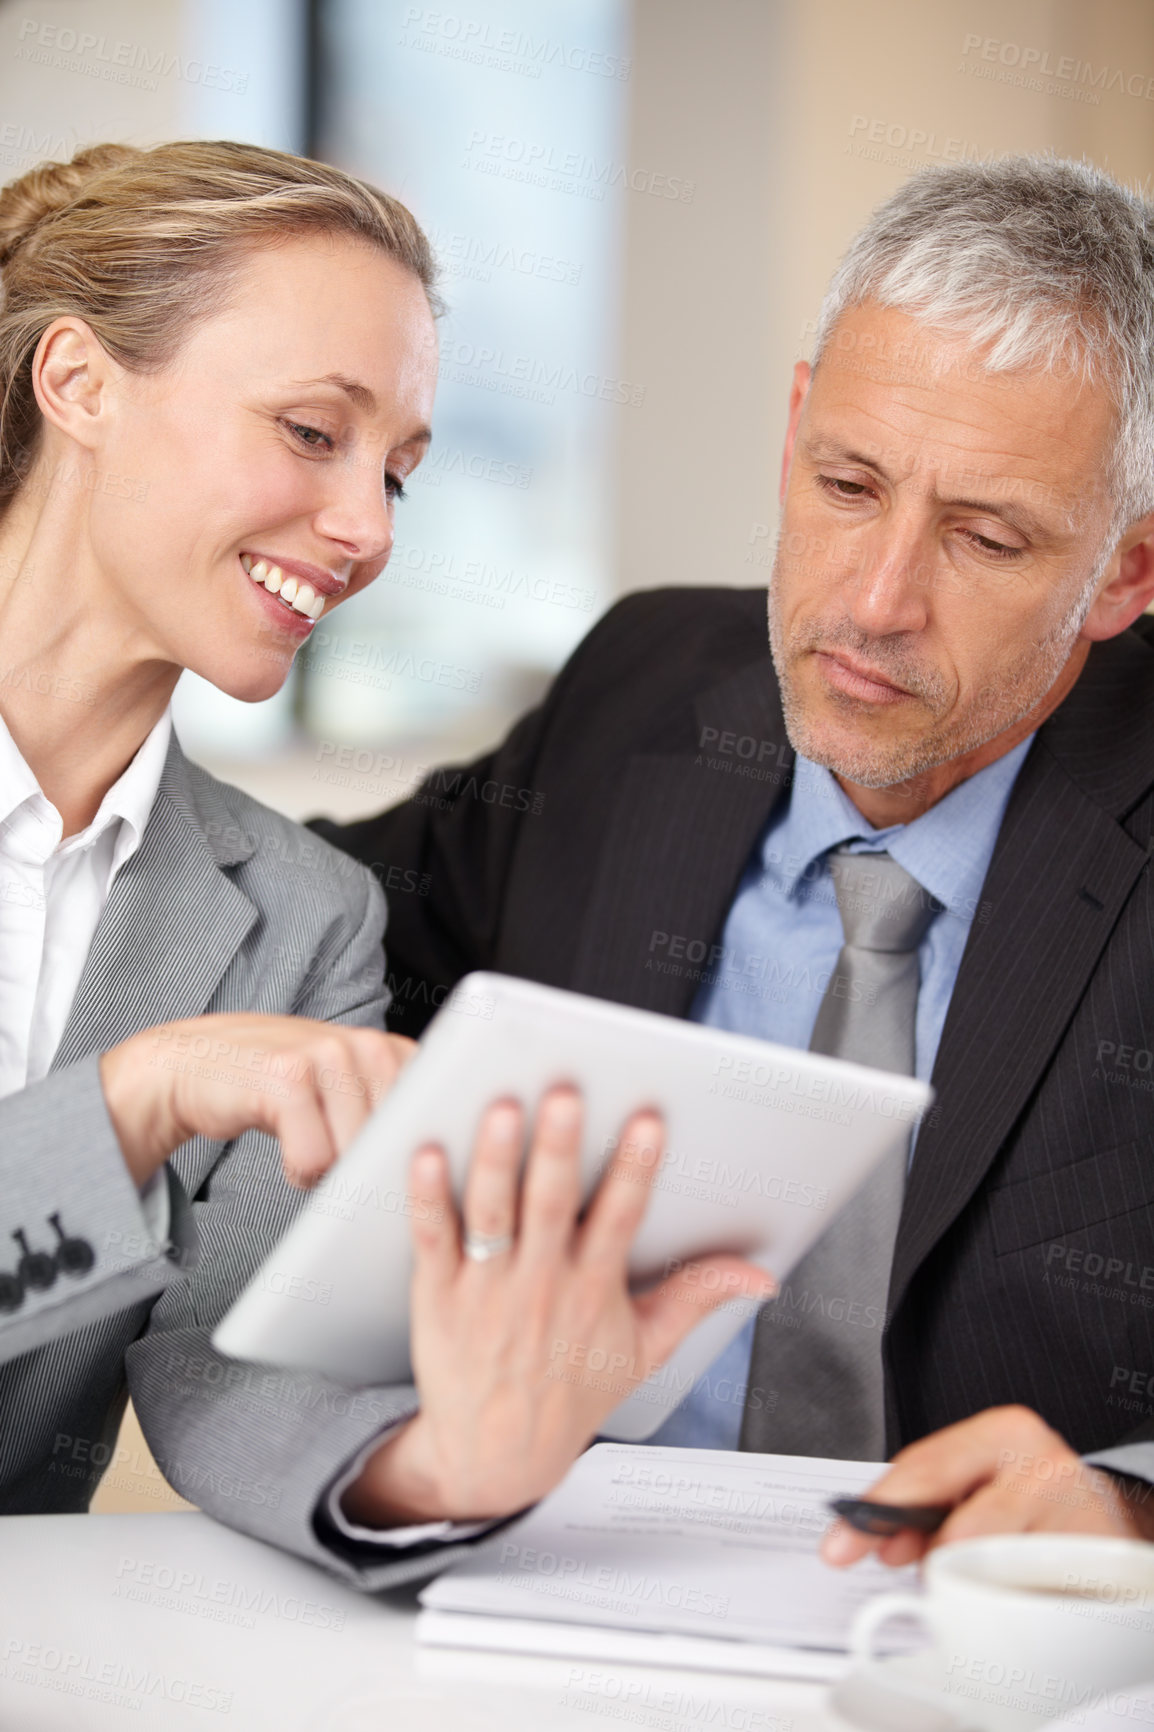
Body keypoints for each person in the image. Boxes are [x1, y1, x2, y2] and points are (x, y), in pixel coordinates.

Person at [310, 155, 1154, 1564]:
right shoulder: (642, 683)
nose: (874, 603)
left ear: (1127, 571)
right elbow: (311, 917)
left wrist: (1128, 1507)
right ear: (791, 431)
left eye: (986, 536)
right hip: (553, 1577)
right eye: (845, 482)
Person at [0, 139, 772, 1580]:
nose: (363, 530)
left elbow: (241, 1368)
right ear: (80, 383)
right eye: (311, 432)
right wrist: (131, 1103)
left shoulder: (300, 918)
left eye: (399, 474)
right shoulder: (211, 1037)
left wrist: (444, 1465)